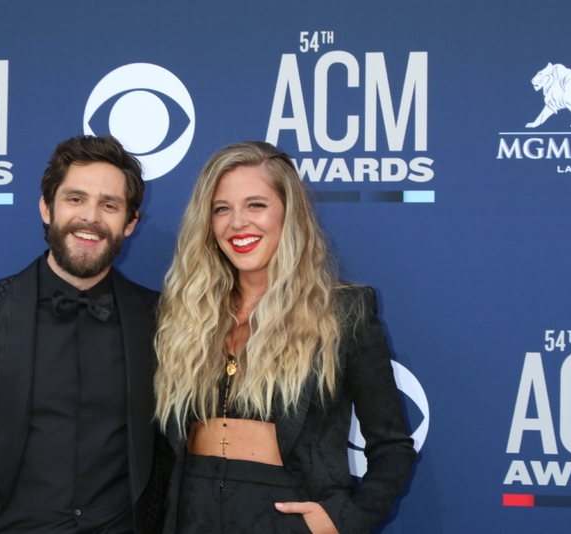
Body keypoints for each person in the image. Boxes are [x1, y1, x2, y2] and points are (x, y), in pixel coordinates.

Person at [0, 135, 166, 533]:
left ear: (130, 223)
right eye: (75, 199)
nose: (91, 218)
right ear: (47, 208)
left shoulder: (163, 319)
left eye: (109, 206)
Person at [154, 141, 416, 533]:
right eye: (221, 209)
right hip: (192, 512)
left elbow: (392, 446)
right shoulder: (186, 313)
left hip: (285, 516)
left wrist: (345, 520)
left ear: (288, 213)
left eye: (255, 205)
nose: (237, 223)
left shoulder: (343, 314)